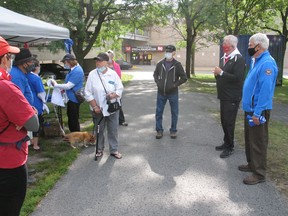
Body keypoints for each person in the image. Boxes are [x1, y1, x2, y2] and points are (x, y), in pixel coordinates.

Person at [0, 36, 39, 216]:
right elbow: (32, 123)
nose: (10, 61)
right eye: (9, 56)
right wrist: (27, 112)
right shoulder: (5, 87)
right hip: (8, 163)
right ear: (3, 59)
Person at [239, 33, 278, 185]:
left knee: (258, 141)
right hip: (250, 108)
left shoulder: (267, 63)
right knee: (250, 139)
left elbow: (265, 91)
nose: (248, 47)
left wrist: (257, 111)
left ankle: (259, 173)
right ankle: (251, 164)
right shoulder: (256, 60)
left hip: (258, 110)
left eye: (250, 45)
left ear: (259, 46)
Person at [85, 52, 124, 159]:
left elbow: (120, 88)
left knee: (113, 129)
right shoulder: (92, 74)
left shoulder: (113, 74)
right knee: (99, 130)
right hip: (98, 109)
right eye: (96, 61)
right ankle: (99, 149)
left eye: (100, 61)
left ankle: (114, 150)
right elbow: (87, 92)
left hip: (112, 108)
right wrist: (95, 106)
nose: (97, 63)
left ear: (106, 62)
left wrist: (113, 95)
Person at [213, 35, 246, 158]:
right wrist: (217, 74)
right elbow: (221, 75)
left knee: (229, 122)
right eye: (223, 43)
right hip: (224, 95)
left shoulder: (239, 59)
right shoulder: (224, 58)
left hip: (232, 96)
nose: (223, 45)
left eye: (225, 43)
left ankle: (230, 146)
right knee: (224, 120)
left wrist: (221, 72)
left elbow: (238, 78)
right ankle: (226, 142)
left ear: (232, 45)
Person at [153, 45, 187, 139]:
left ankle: (173, 130)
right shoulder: (160, 63)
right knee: (159, 112)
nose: (168, 53)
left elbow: (184, 78)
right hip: (161, 92)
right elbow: (155, 74)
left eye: (170, 52)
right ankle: (159, 130)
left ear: (174, 53)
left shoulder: (177, 65)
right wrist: (158, 82)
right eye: (166, 51)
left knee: (174, 112)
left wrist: (174, 85)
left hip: (173, 93)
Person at [52, 54, 85, 132]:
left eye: (65, 62)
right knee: (71, 117)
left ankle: (75, 135)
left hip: (74, 98)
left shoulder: (77, 71)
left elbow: (69, 85)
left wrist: (56, 85)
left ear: (69, 62)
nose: (64, 64)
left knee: (73, 119)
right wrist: (62, 89)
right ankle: (73, 135)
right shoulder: (73, 70)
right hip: (71, 97)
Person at [27, 60, 46, 150]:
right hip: (36, 104)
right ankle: (35, 145)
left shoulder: (26, 75)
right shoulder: (36, 78)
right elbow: (41, 93)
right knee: (37, 124)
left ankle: (29, 141)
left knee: (28, 124)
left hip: (27, 103)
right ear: (36, 67)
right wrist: (44, 102)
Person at [107, 50, 128, 126]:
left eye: (110, 56)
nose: (109, 58)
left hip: (115, 88)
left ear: (112, 56)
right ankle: (107, 119)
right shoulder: (104, 66)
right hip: (106, 89)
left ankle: (121, 120)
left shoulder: (116, 65)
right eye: (107, 56)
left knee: (118, 104)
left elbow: (118, 77)